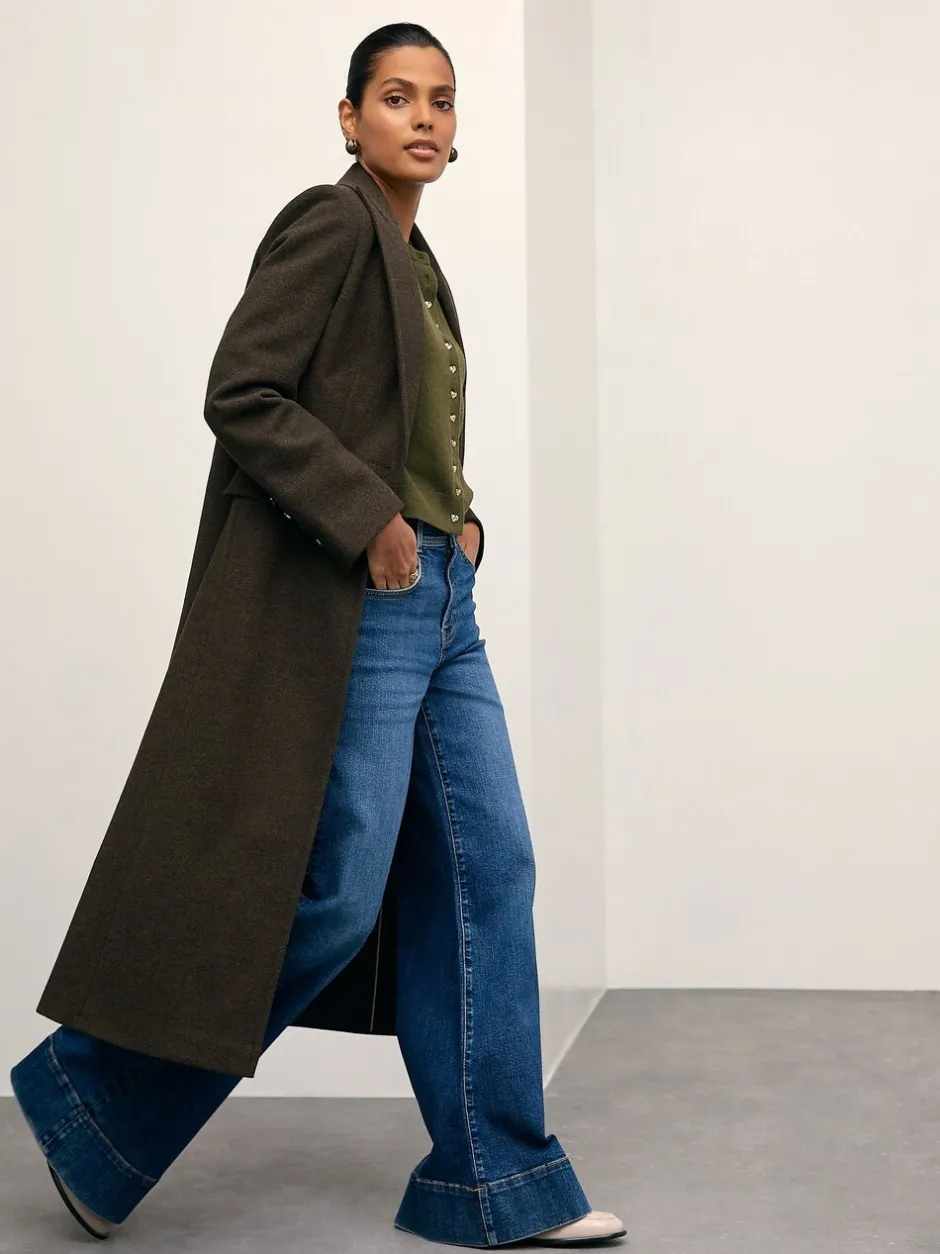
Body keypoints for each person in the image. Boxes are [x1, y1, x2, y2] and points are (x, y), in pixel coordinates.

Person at [9, 23, 626, 1250]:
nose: (423, 118)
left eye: (441, 100)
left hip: (442, 603)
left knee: (489, 871)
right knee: (340, 892)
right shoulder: (331, 224)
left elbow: (399, 426)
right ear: (349, 119)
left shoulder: (419, 259)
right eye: (396, 97)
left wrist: (454, 520)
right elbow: (242, 388)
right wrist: (369, 520)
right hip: (367, 601)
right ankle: (94, 1101)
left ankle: (494, 1181)